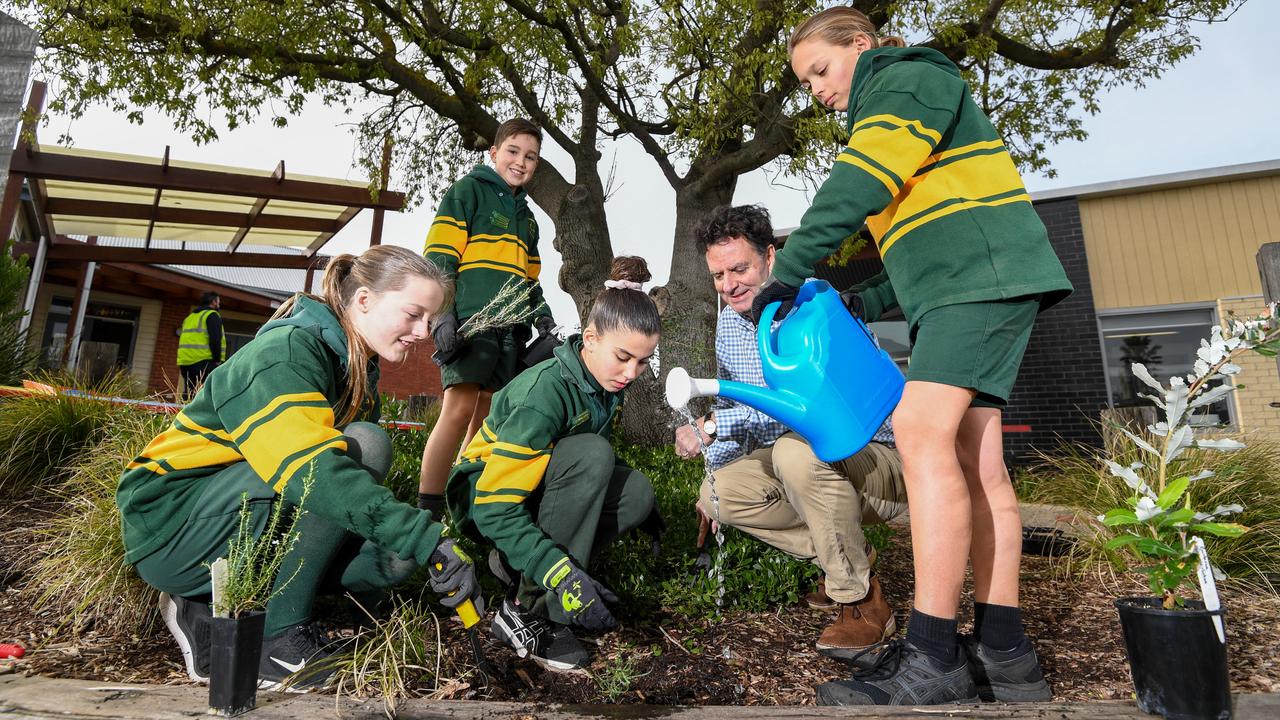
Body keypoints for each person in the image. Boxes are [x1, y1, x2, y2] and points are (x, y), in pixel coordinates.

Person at [752, 7, 1073, 706]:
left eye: (820, 70)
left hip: (976, 285)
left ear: (860, 46)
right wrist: (862, 302)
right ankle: (1005, 654)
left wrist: (792, 263)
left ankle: (933, 657)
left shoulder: (902, 81)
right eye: (805, 82)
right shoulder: (906, 105)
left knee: (922, 433)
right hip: (965, 283)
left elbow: (860, 179)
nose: (816, 89)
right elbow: (933, 235)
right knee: (975, 463)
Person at [118, 245, 481, 691]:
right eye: (413, 314)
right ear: (364, 300)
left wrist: (396, 568)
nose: (424, 332)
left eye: (430, 319)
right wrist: (428, 539)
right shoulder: (288, 350)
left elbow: (334, 503)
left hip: (234, 516)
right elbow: (312, 470)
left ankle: (203, 604)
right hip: (173, 526)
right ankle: (277, 638)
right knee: (365, 447)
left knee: (394, 557)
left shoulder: (356, 369)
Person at [680, 203, 908, 660]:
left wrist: (712, 425)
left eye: (740, 269)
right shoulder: (730, 320)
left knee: (793, 451)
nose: (729, 286)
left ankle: (860, 602)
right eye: (719, 275)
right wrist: (713, 476)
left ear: (770, 257)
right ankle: (846, 558)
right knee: (719, 492)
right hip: (807, 462)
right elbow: (735, 406)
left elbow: (807, 413)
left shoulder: (817, 309)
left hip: (878, 464)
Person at [446, 257, 661, 672]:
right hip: (486, 497)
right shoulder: (546, 392)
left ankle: (516, 565)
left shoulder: (602, 381)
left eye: (642, 362)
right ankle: (528, 610)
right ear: (591, 338)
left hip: (534, 485)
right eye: (623, 356)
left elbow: (572, 460)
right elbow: (493, 506)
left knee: (636, 494)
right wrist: (560, 576)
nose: (631, 372)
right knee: (594, 456)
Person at [418, 118, 556, 519]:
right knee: (458, 409)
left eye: (531, 156)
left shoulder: (528, 220)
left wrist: (543, 316)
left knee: (488, 416)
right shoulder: (466, 192)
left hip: (512, 330)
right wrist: (442, 314)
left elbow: (531, 279)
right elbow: (440, 257)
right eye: (513, 151)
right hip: (471, 324)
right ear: (494, 152)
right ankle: (426, 511)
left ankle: (462, 504)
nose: (521, 161)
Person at [177, 291, 225, 401]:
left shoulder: (190, 318)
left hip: (185, 362)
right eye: (218, 301)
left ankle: (185, 413)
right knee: (208, 394)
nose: (219, 304)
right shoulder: (212, 315)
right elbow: (215, 339)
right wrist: (217, 359)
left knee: (190, 393)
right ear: (213, 302)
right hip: (204, 362)